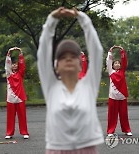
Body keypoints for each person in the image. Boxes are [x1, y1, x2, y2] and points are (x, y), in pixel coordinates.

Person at [37, 7, 104, 154]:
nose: (68, 58)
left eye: (73, 56)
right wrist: (51, 21)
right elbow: (42, 54)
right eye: (62, 57)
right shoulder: (51, 87)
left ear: (81, 65)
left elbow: (97, 51)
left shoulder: (89, 86)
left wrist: (83, 19)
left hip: (87, 148)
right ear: (56, 66)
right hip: (56, 148)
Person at [106, 45, 132, 137]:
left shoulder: (122, 71)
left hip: (122, 96)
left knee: (124, 114)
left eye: (118, 63)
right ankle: (110, 131)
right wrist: (110, 51)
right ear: (113, 65)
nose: (117, 64)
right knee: (112, 115)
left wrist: (122, 51)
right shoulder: (111, 72)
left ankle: (127, 130)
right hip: (113, 97)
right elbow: (108, 61)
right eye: (115, 63)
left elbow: (124, 61)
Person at [5, 47, 29, 139]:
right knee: (10, 117)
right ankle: (9, 133)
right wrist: (9, 53)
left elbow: (22, 65)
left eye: (16, 64)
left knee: (22, 116)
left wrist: (20, 53)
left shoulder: (20, 74)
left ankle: (24, 132)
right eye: (13, 64)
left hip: (20, 97)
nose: (14, 66)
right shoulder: (8, 74)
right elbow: (7, 65)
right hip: (10, 98)